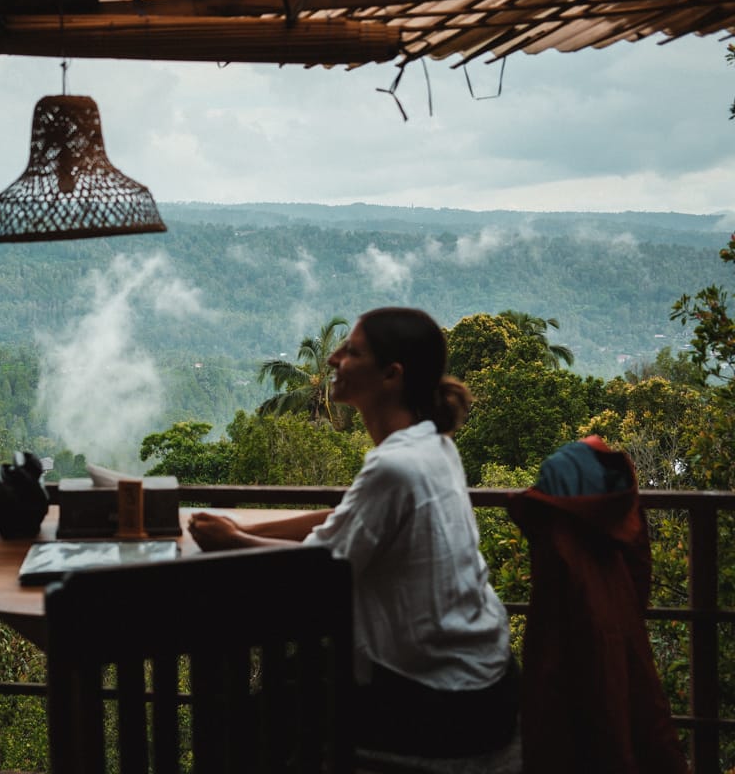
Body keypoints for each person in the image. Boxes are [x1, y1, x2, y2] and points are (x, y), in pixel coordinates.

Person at [188, 306, 518, 758]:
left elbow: (321, 572)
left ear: (391, 375)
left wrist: (232, 541)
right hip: (487, 675)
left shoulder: (395, 467)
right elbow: (345, 517)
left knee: (244, 725)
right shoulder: (433, 445)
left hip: (442, 699)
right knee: (285, 685)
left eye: (352, 352)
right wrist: (247, 527)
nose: (332, 359)